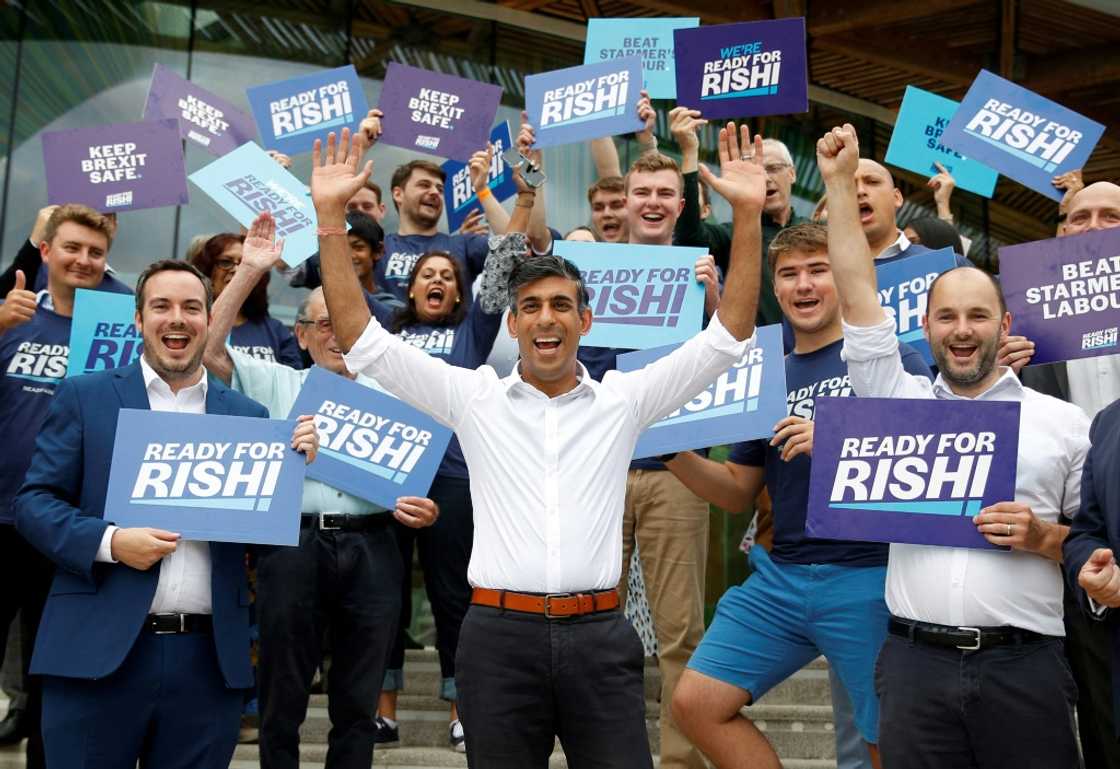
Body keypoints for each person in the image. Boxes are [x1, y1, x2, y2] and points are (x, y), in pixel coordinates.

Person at [311, 122, 764, 769]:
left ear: (585, 320)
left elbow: (730, 334)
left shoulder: (624, 399)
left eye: (560, 304)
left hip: (600, 639)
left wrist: (746, 214)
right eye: (530, 305)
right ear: (514, 321)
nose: (545, 317)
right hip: (497, 641)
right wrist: (330, 219)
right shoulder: (474, 397)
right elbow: (361, 341)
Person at [819, 122, 1089, 769]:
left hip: (1027, 668)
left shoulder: (1066, 423)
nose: (962, 330)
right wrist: (835, 182)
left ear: (1007, 324)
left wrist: (1044, 537)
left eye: (978, 315)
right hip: (914, 668)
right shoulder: (894, 400)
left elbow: (1098, 541)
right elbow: (857, 296)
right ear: (925, 325)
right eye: (947, 316)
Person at [13, 258, 318, 769]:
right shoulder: (86, 395)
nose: (177, 319)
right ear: (138, 320)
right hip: (95, 655)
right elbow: (34, 503)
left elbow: (264, 543)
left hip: (206, 663)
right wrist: (110, 543)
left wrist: (291, 473)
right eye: (162, 306)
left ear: (207, 319)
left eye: (191, 307)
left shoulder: (248, 418)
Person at [666, 223, 933, 769]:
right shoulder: (765, 374)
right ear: (776, 287)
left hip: (868, 576)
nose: (804, 285)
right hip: (780, 577)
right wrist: (670, 452)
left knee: (887, 737)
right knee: (696, 703)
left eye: (819, 270)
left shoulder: (893, 359)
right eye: (789, 274)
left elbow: (926, 465)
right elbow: (738, 492)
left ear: (845, 280)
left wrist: (835, 442)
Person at [202, 212, 437, 769]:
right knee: (281, 693)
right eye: (321, 325)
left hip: (376, 546)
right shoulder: (277, 381)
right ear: (302, 336)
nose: (335, 335)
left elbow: (423, 476)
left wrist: (423, 509)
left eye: (344, 324)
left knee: (358, 697)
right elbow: (207, 352)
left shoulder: (398, 391)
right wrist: (250, 270)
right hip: (294, 546)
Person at [372, 144, 540, 752]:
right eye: (427, 276)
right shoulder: (387, 335)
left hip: (452, 480)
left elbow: (501, 268)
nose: (438, 280)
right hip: (383, 475)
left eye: (447, 276)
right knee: (384, 599)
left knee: (453, 597)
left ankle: (462, 710)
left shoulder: (472, 332)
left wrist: (522, 199)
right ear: (408, 291)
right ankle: (381, 709)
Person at [572, 148, 719, 769]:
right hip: (598, 470)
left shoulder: (701, 274)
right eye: (642, 192)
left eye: (664, 193)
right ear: (623, 203)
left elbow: (735, 360)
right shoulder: (588, 276)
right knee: (589, 629)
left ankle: (680, 762)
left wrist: (713, 305)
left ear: (680, 206)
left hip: (677, 471)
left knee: (680, 631)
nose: (653, 202)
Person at [0, 204, 119, 769]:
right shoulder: (11, 316)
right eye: (71, 247)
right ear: (44, 251)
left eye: (96, 252)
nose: (84, 259)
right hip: (0, 516)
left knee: (52, 671)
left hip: (65, 525)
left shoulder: (119, 329)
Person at [1012, 179, 1120, 768]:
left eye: (1110, 215)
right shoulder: (1033, 340)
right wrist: (1001, 375)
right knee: (1100, 723)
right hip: (1076, 557)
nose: (1093, 227)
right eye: (1078, 217)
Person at [191, 232, 302, 368]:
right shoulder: (191, 326)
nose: (238, 270)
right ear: (206, 271)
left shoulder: (276, 331)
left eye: (245, 264)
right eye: (226, 262)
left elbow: (292, 384)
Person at [0, 205, 130, 297]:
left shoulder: (126, 299)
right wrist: (34, 242)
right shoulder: (37, 275)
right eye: (72, 248)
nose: (83, 261)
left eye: (100, 214)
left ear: (113, 226)